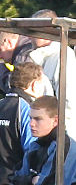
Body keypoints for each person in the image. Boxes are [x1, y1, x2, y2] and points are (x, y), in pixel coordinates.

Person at [29, 9, 76, 140]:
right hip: (48, 134)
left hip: (60, 136)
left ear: (45, 32)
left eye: (33, 32)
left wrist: (63, 138)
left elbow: (68, 100)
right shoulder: (46, 57)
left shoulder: (62, 56)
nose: (29, 37)